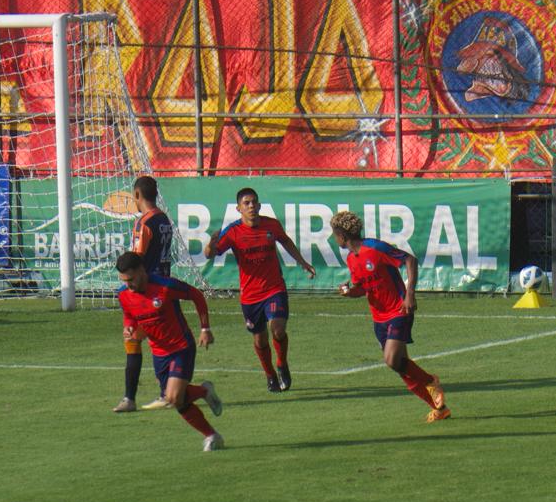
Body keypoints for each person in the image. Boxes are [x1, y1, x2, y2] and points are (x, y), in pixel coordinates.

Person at [330, 210, 450, 423]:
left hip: (399, 310)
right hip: (379, 318)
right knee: (400, 367)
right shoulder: (351, 259)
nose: (334, 238)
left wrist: (410, 295)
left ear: (342, 236)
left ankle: (431, 381)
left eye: (334, 234)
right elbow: (361, 288)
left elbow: (410, 260)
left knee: (391, 359)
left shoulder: (375, 248)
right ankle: (440, 409)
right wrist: (349, 292)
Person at [204, 187, 316, 393]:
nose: (251, 206)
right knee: (259, 338)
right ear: (239, 208)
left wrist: (302, 262)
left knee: (278, 329)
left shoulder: (271, 225)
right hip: (250, 296)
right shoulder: (233, 231)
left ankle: (282, 364)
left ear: (260, 205)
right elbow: (210, 254)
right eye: (246, 203)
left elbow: (286, 240)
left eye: (254, 202)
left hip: (274, 288)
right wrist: (210, 244)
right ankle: (270, 373)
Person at [115, 252, 224, 451]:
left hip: (181, 347)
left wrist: (205, 328)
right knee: (179, 402)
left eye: (131, 279)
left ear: (142, 271)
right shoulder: (123, 295)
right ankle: (211, 433)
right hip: (158, 354)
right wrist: (129, 327)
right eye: (124, 280)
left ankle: (205, 400)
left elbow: (196, 296)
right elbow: (129, 316)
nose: (128, 284)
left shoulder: (165, 286)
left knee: (172, 397)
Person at [114, 176, 176, 413]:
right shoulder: (164, 220)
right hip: (164, 285)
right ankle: (163, 391)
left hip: (146, 292)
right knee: (162, 341)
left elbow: (137, 258)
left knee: (134, 340)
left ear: (137, 195)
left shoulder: (145, 223)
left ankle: (133, 397)